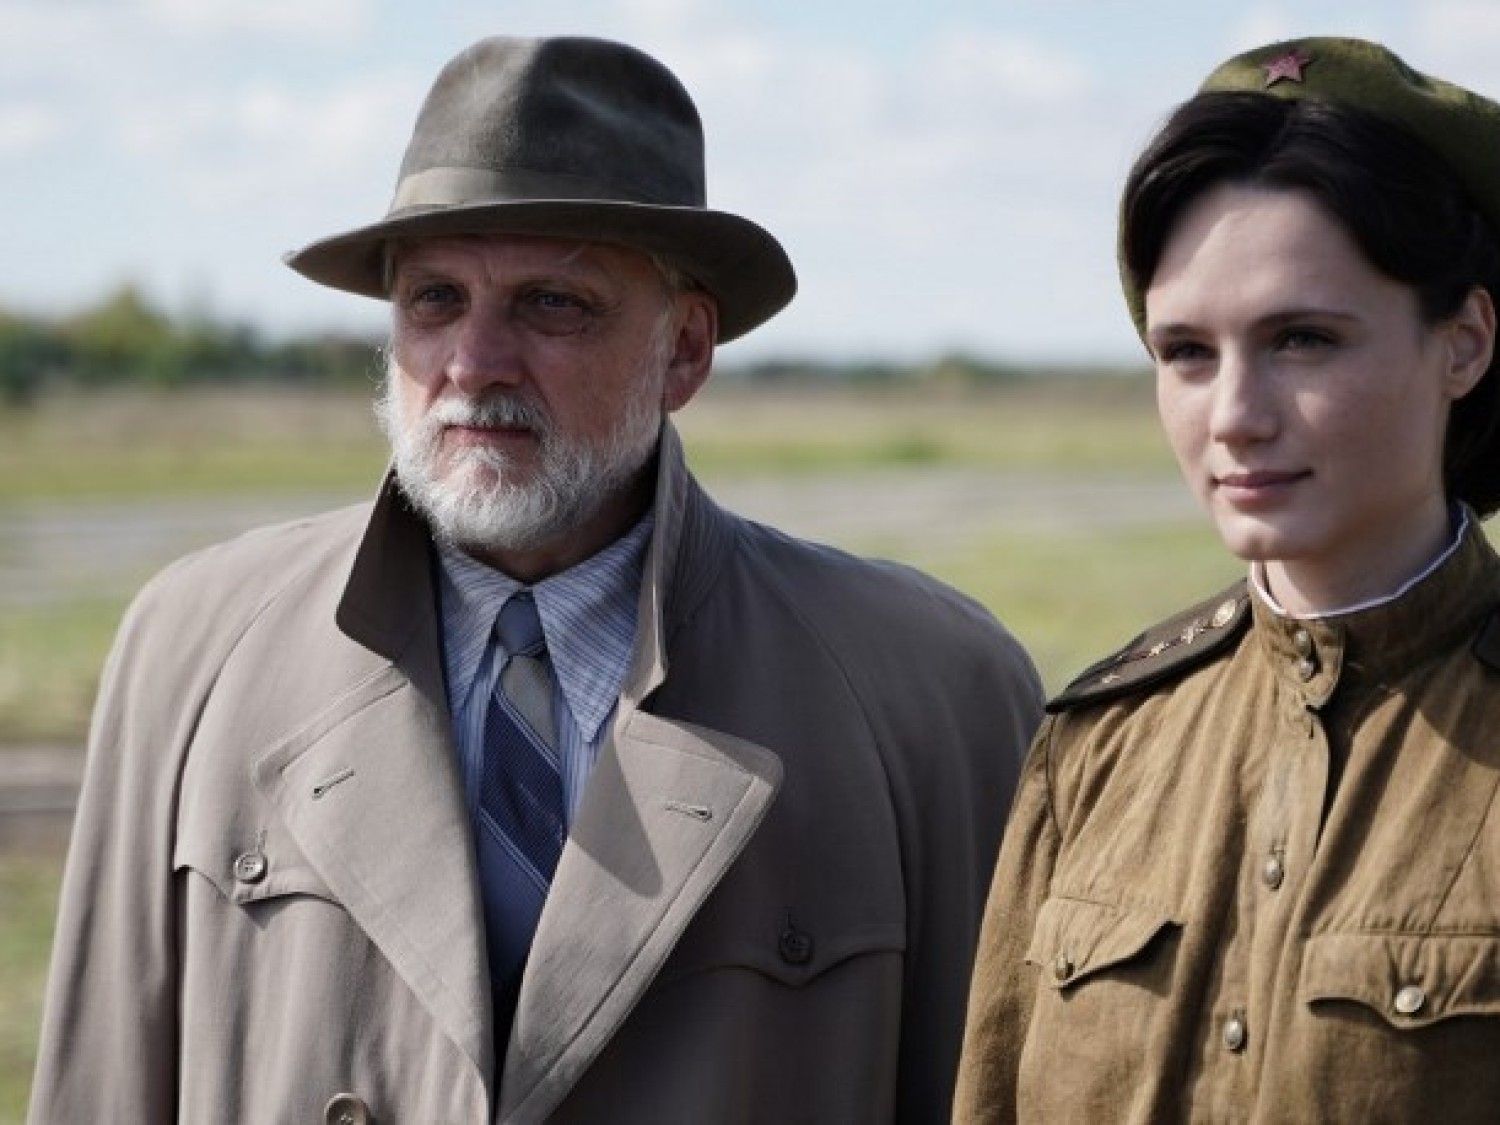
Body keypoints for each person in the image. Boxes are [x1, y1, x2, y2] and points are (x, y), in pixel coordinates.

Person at [27, 34, 1043, 1125]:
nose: (474, 364)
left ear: (686, 348)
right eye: (434, 299)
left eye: (552, 303)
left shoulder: (925, 693)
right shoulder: (193, 650)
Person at [955, 35, 1500, 1123]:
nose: (1235, 417)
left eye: (1302, 339)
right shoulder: (1101, 744)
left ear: (1465, 342)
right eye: (1187, 353)